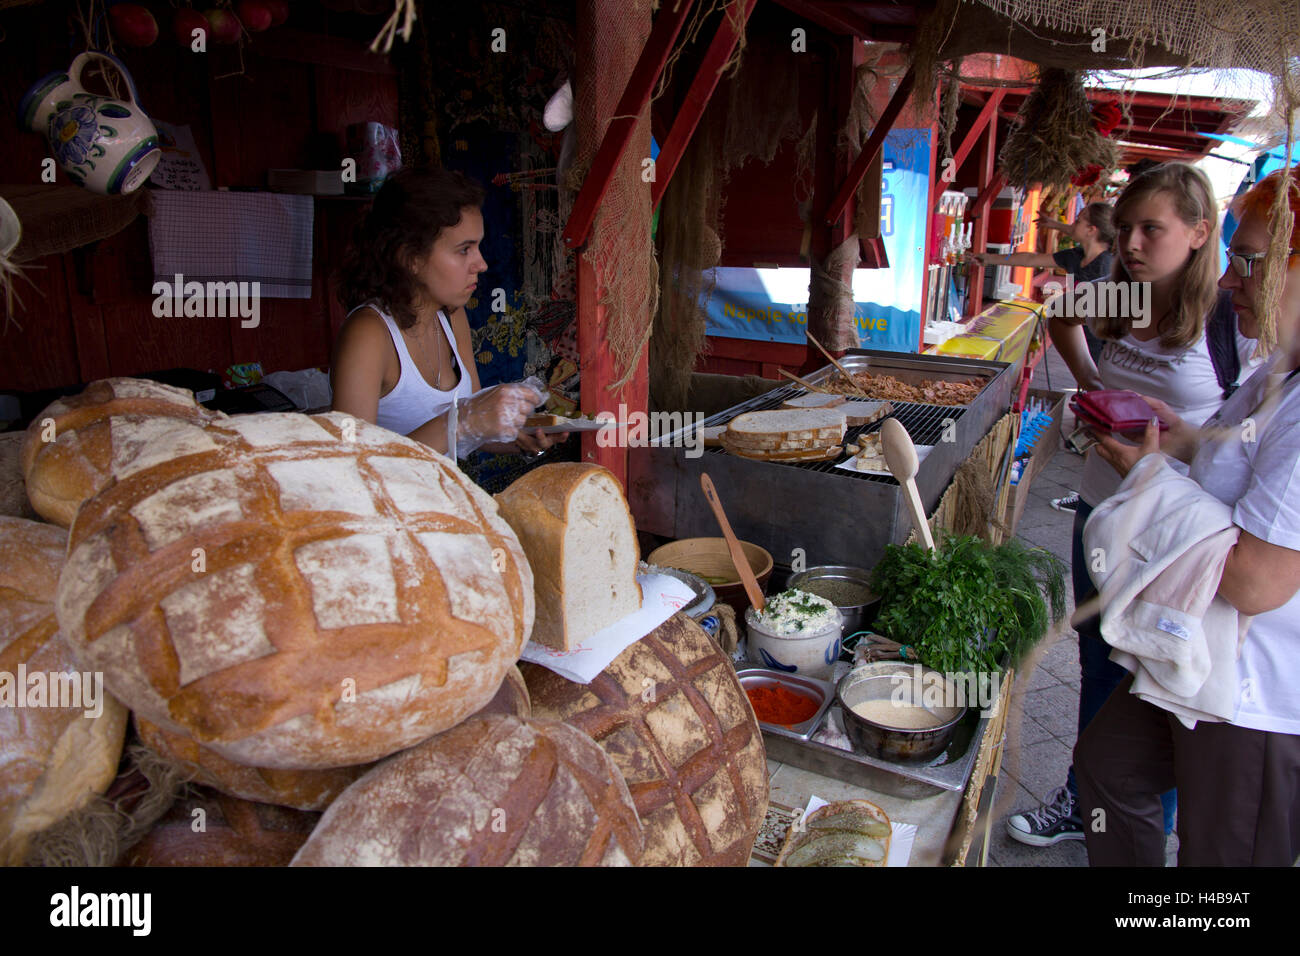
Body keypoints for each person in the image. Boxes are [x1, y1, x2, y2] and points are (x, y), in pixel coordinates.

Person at [1002, 163, 1256, 848]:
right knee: (1096, 658)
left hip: (1173, 537)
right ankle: (1087, 800)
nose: (1133, 243)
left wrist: (1173, 448)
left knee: (1151, 676)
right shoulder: (1118, 295)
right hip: (1100, 512)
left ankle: (1144, 824)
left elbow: (1245, 445)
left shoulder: (1230, 322)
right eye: (1126, 230)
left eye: (1153, 229)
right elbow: (1058, 317)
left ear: (1201, 233)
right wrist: (1089, 384)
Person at [1076, 166, 1300, 865]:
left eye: (1252, 260)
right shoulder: (1277, 374)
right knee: (1107, 771)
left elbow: (1257, 581)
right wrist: (1177, 441)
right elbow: (1233, 470)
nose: (1233, 279)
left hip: (1252, 689)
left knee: (1224, 853)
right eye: (1235, 259)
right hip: (1193, 652)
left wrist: (1144, 474)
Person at [331, 165, 564, 458]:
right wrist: (463, 420)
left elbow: (470, 435)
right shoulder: (368, 334)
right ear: (411, 258)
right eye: (464, 250)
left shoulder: (451, 317)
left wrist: (517, 436)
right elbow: (351, 463)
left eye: (478, 247)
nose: (481, 264)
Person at [975, 203, 1116, 513]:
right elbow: (1032, 260)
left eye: (1079, 220)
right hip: (1086, 347)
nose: (1072, 224)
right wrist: (989, 259)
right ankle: (1089, 493)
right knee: (1094, 412)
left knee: (1105, 424)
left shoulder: (1111, 269)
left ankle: (1089, 496)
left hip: (1102, 347)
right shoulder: (1079, 257)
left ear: (1092, 229)